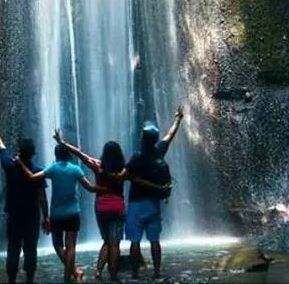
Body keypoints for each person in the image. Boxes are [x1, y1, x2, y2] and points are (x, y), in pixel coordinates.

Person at [17, 143, 103, 282]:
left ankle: (73, 273)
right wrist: (105, 188)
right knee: (71, 247)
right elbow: (90, 188)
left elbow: (32, 177)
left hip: (57, 214)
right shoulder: (76, 170)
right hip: (73, 213)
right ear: (68, 155)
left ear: (56, 155)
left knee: (57, 246)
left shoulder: (53, 169)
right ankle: (69, 276)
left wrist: (21, 163)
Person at [0, 114, 49, 284]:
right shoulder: (38, 171)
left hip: (14, 215)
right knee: (30, 248)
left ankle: (11, 279)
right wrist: (46, 217)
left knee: (13, 248)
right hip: (32, 216)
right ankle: (30, 278)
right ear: (33, 154)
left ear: (19, 151)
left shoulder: (10, 166)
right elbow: (42, 197)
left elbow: (0, 145)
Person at [53, 131, 128, 280]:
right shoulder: (123, 170)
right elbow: (137, 175)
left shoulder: (98, 167)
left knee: (107, 241)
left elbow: (80, 155)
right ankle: (113, 274)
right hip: (117, 207)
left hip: (101, 208)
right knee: (114, 244)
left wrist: (62, 143)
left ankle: (99, 271)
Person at [124, 106, 184, 279]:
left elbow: (123, 176)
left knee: (134, 242)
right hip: (153, 204)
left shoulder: (136, 157)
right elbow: (170, 136)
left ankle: (135, 272)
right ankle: (157, 272)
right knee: (154, 241)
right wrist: (178, 120)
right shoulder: (159, 151)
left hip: (136, 203)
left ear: (143, 139)